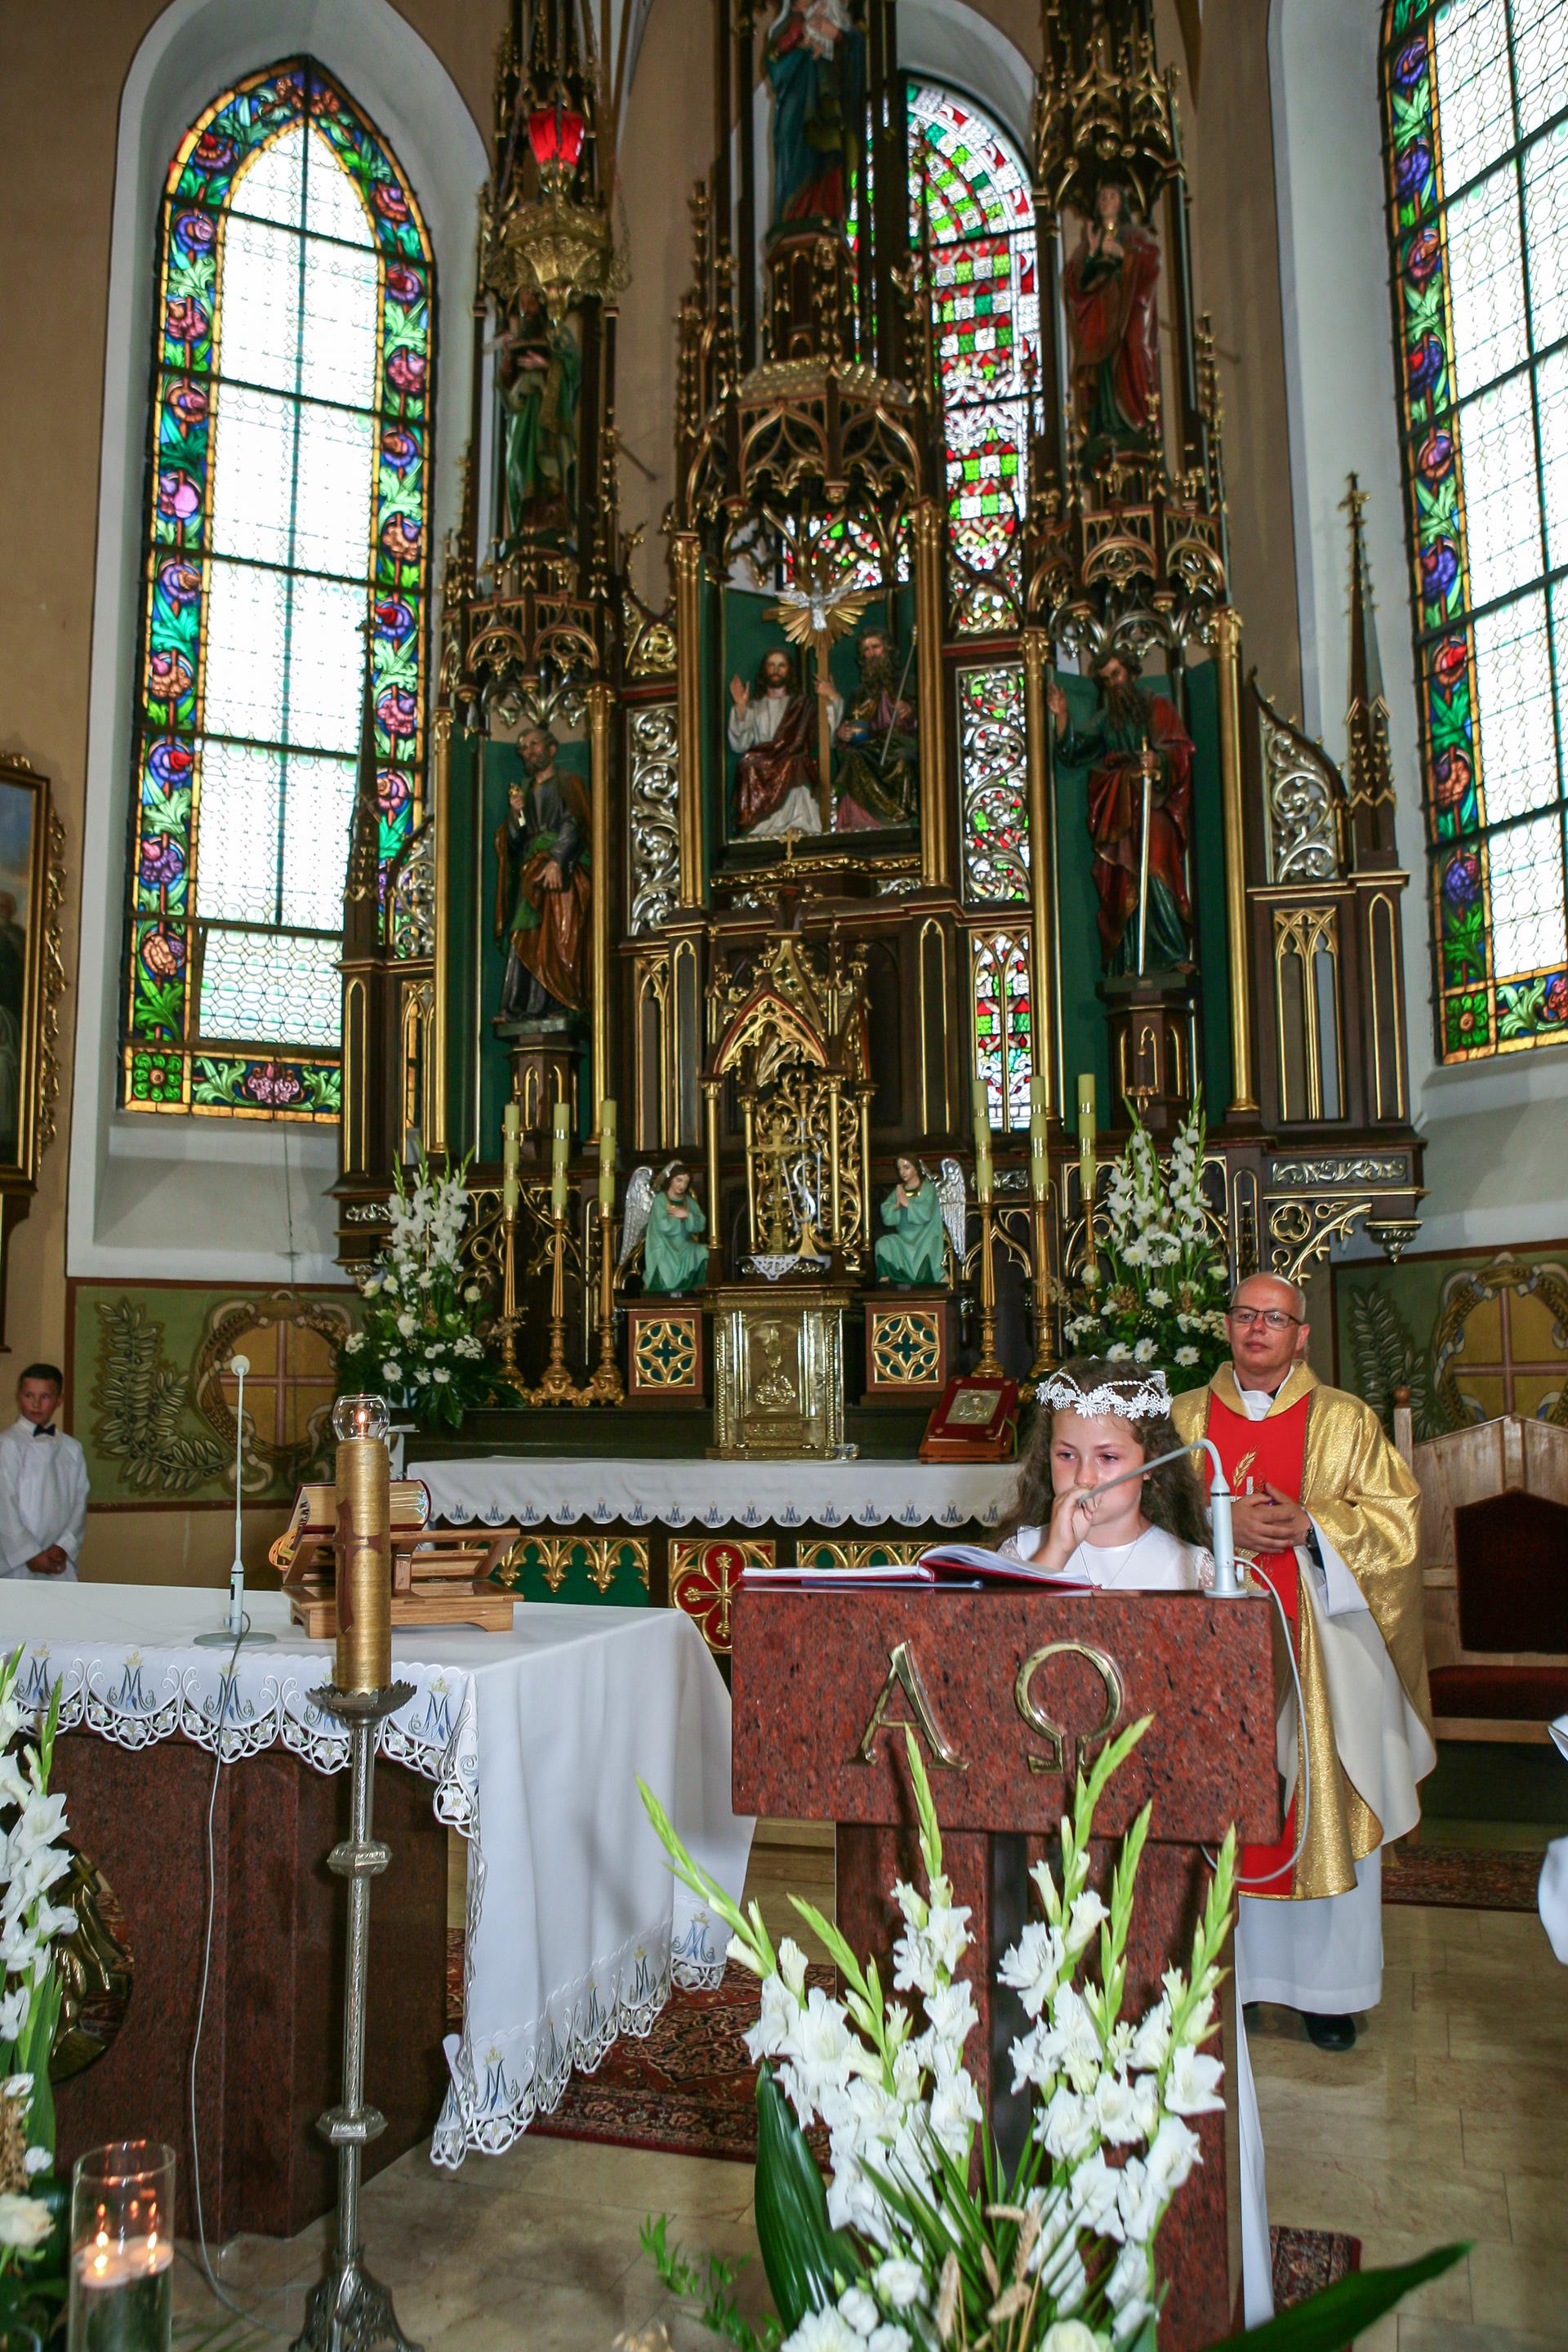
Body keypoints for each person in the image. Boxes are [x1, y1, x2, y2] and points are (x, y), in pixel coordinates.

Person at [995, 1360, 1273, 2326]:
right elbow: (983, 1667)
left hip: (1157, 1863)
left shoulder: (1194, 1569)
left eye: (1107, 1458)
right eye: (1066, 1457)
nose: (1084, 1478)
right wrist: (1050, 1556)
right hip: (1039, 1854)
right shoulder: (1022, 1553)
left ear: (1151, 1465)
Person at [1171, 1274, 1435, 2052]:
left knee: (1319, 1806)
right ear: (1227, 1326)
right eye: (1245, 1315)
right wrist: (1219, 1521)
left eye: (1275, 1319)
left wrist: (1311, 1527)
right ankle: (1236, 1985)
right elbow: (1145, 1514)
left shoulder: (1346, 1420)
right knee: (1222, 1809)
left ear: (1302, 1335)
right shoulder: (1183, 1418)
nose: (1258, 1329)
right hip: (1209, 1654)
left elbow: (1398, 1526)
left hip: (1319, 1653)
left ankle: (1328, 1995)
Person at [1046, 650, 1193, 974]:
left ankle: (1173, 953)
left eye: (1116, 675)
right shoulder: (1107, 719)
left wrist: (1158, 761)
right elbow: (1074, 749)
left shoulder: (1158, 707)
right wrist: (1062, 715)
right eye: (1106, 681)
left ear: (1132, 672)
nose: (1113, 684)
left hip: (1153, 804)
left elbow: (1181, 750)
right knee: (1122, 881)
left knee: (1156, 868)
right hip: (1120, 807)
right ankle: (1127, 960)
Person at [493, 724, 591, 1022]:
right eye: (524, 748)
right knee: (525, 934)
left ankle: (557, 1001)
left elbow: (575, 822)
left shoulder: (568, 783)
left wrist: (557, 860)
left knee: (558, 936)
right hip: (532, 869)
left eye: (534, 744)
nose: (529, 752)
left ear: (552, 749)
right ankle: (520, 1006)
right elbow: (519, 837)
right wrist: (517, 814)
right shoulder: (524, 790)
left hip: (562, 872)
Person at [1062, 175, 1160, 452]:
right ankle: (1104, 423)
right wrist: (1092, 254)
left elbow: (1151, 261)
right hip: (1100, 318)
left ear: (1121, 203)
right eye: (1102, 197)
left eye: (1112, 196)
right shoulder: (1088, 242)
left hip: (1126, 312)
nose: (1106, 201)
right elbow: (1074, 280)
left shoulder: (1133, 235)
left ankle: (1137, 421)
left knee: (1131, 354)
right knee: (1102, 368)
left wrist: (1122, 254)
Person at [764, 0, 864, 230]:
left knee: (833, 152)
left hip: (829, 108)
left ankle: (829, 213)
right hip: (797, 109)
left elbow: (856, 69)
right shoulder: (789, 26)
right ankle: (796, 215)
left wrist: (836, 36)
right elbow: (775, 68)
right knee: (797, 160)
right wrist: (801, 41)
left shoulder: (839, 25)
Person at [728, 647, 840, 838]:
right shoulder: (755, 707)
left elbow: (827, 737)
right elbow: (740, 745)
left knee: (794, 763)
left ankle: (799, 821)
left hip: (793, 760)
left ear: (789, 671)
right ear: (764, 670)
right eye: (771, 665)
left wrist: (832, 698)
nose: (776, 670)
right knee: (747, 765)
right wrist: (740, 707)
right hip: (762, 762)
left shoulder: (802, 706)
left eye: (781, 665)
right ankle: (759, 828)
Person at [0, 1362, 88, 1581]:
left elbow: (80, 1502)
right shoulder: (8, 1444)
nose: (36, 1404)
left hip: (58, 1561)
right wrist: (29, 1554)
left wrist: (64, 1546)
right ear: (19, 1397)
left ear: (59, 1400)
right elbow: (4, 1504)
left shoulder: (72, 1448)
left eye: (45, 1397)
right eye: (29, 1395)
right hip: (17, 1563)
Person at [833, 630, 918, 832]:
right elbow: (852, 726)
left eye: (875, 647)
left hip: (902, 741)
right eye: (866, 650)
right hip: (871, 746)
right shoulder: (860, 693)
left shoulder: (908, 683)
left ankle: (899, 818)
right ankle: (860, 822)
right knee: (854, 758)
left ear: (887, 649)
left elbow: (927, 719)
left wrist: (910, 712)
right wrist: (843, 734)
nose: (871, 653)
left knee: (902, 761)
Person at [873, 1155, 945, 1285]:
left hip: (924, 1237)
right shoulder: (899, 1191)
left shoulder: (928, 1189)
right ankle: (888, 1278)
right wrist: (895, 1207)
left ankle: (921, 1277)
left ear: (916, 1168)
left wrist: (906, 1203)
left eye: (906, 1167)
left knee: (926, 1252)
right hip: (903, 1239)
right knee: (883, 1244)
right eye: (899, 1168)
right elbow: (887, 1215)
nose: (902, 1172)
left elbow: (925, 1213)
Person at [644, 1164, 709, 1294]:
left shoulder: (689, 1201)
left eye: (686, 1182)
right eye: (679, 1180)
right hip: (664, 1245)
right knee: (665, 1263)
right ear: (671, 1180)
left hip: (685, 1245)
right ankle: (667, 1290)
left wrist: (687, 1215)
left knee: (704, 1252)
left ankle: (695, 1289)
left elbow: (701, 1223)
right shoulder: (660, 1200)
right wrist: (680, 1218)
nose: (682, 1185)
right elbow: (663, 1225)